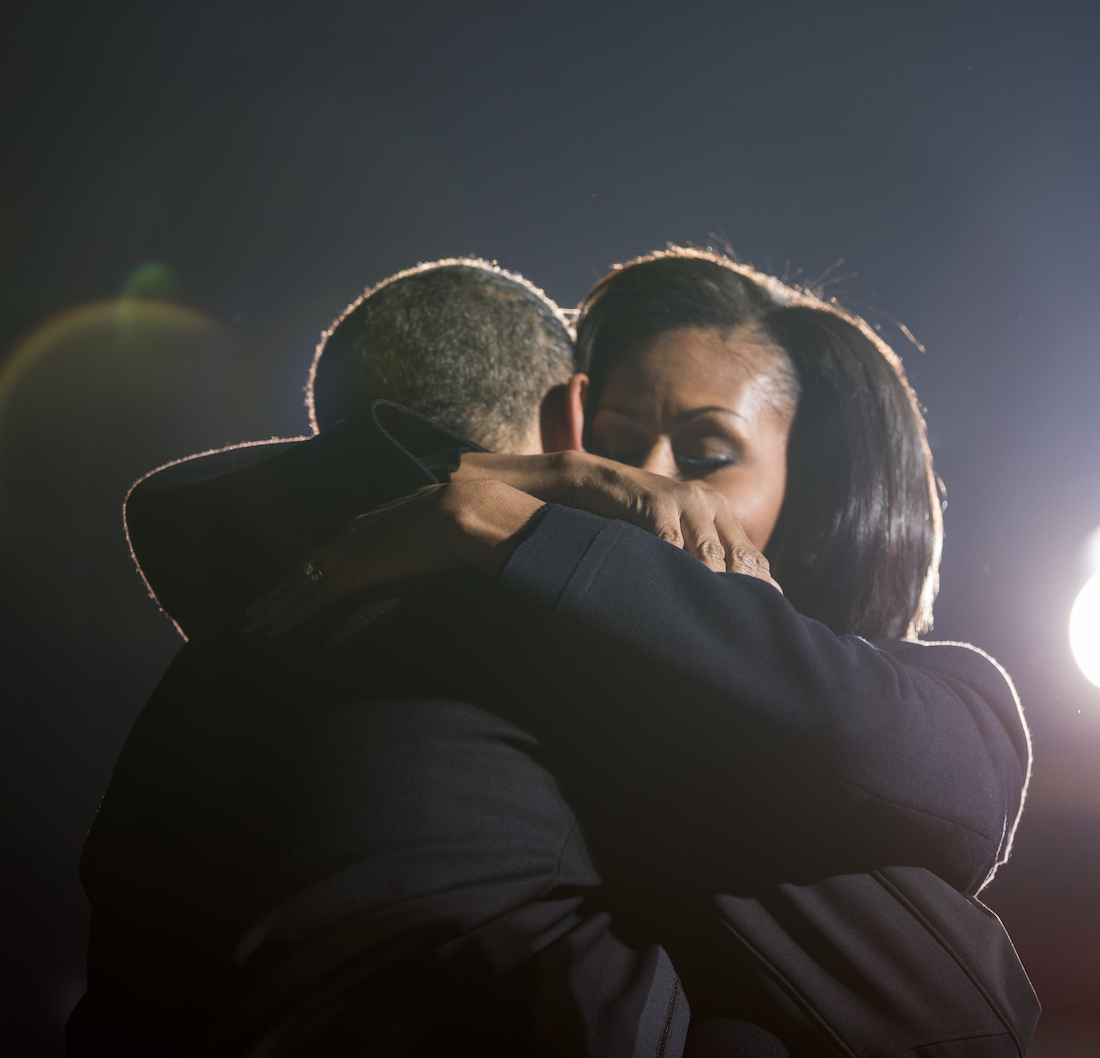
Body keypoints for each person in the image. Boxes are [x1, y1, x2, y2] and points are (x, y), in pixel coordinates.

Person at [79, 252, 1038, 1057]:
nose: (648, 482)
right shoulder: (511, 645)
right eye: (618, 446)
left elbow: (929, 773)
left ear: (816, 501)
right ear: (567, 435)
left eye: (707, 452)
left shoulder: (919, 692)